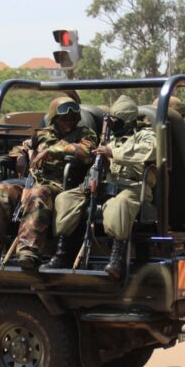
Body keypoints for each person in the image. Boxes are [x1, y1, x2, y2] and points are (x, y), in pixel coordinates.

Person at [0, 97, 97, 270]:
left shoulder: (84, 134)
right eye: (64, 119)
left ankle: (28, 253)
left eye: (72, 118)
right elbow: (22, 147)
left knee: (37, 194)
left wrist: (51, 151)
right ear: (55, 118)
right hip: (33, 181)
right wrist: (20, 156)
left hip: (63, 185)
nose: (69, 122)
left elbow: (86, 151)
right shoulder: (42, 134)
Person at [48, 95, 156, 280]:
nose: (112, 125)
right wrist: (93, 175)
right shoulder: (109, 139)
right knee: (65, 199)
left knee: (118, 205)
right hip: (107, 184)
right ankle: (62, 252)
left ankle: (117, 258)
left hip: (134, 187)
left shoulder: (145, 136)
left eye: (115, 121)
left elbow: (148, 151)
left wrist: (113, 152)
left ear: (127, 120)